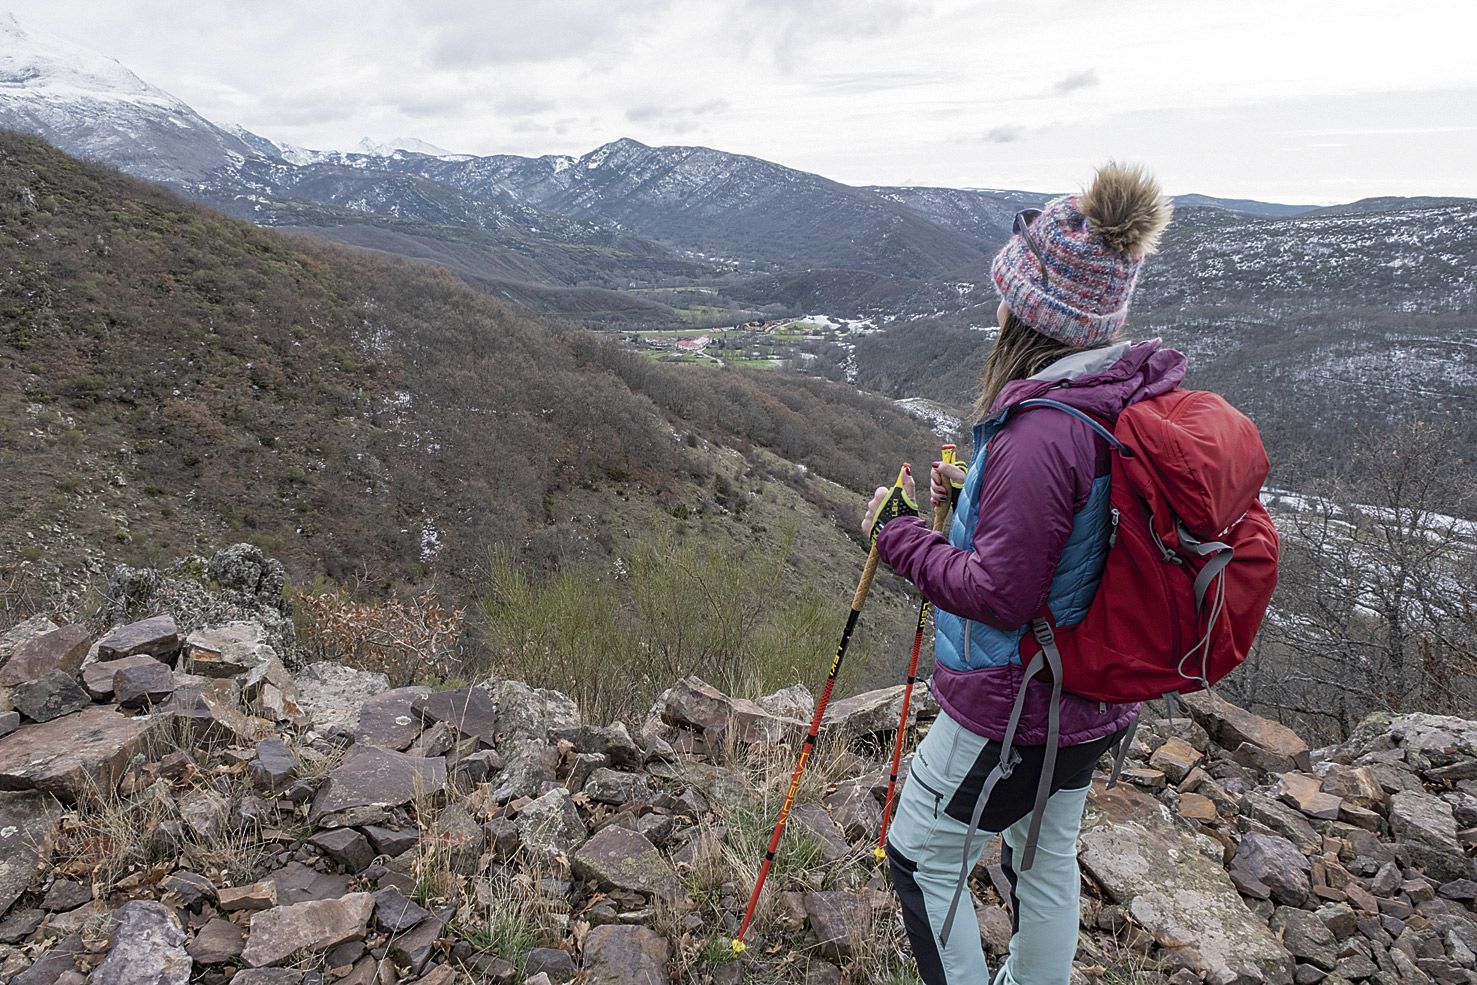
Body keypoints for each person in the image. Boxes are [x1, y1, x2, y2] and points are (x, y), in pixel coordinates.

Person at [861, 162, 1180, 985]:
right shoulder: (1115, 396)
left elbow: (999, 594)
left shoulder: (1041, 432)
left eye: (1006, 292)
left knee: (920, 858)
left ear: (1035, 314)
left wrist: (896, 535)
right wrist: (981, 500)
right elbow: (1072, 532)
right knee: (1041, 860)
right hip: (1091, 697)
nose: (996, 305)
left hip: (1015, 707)